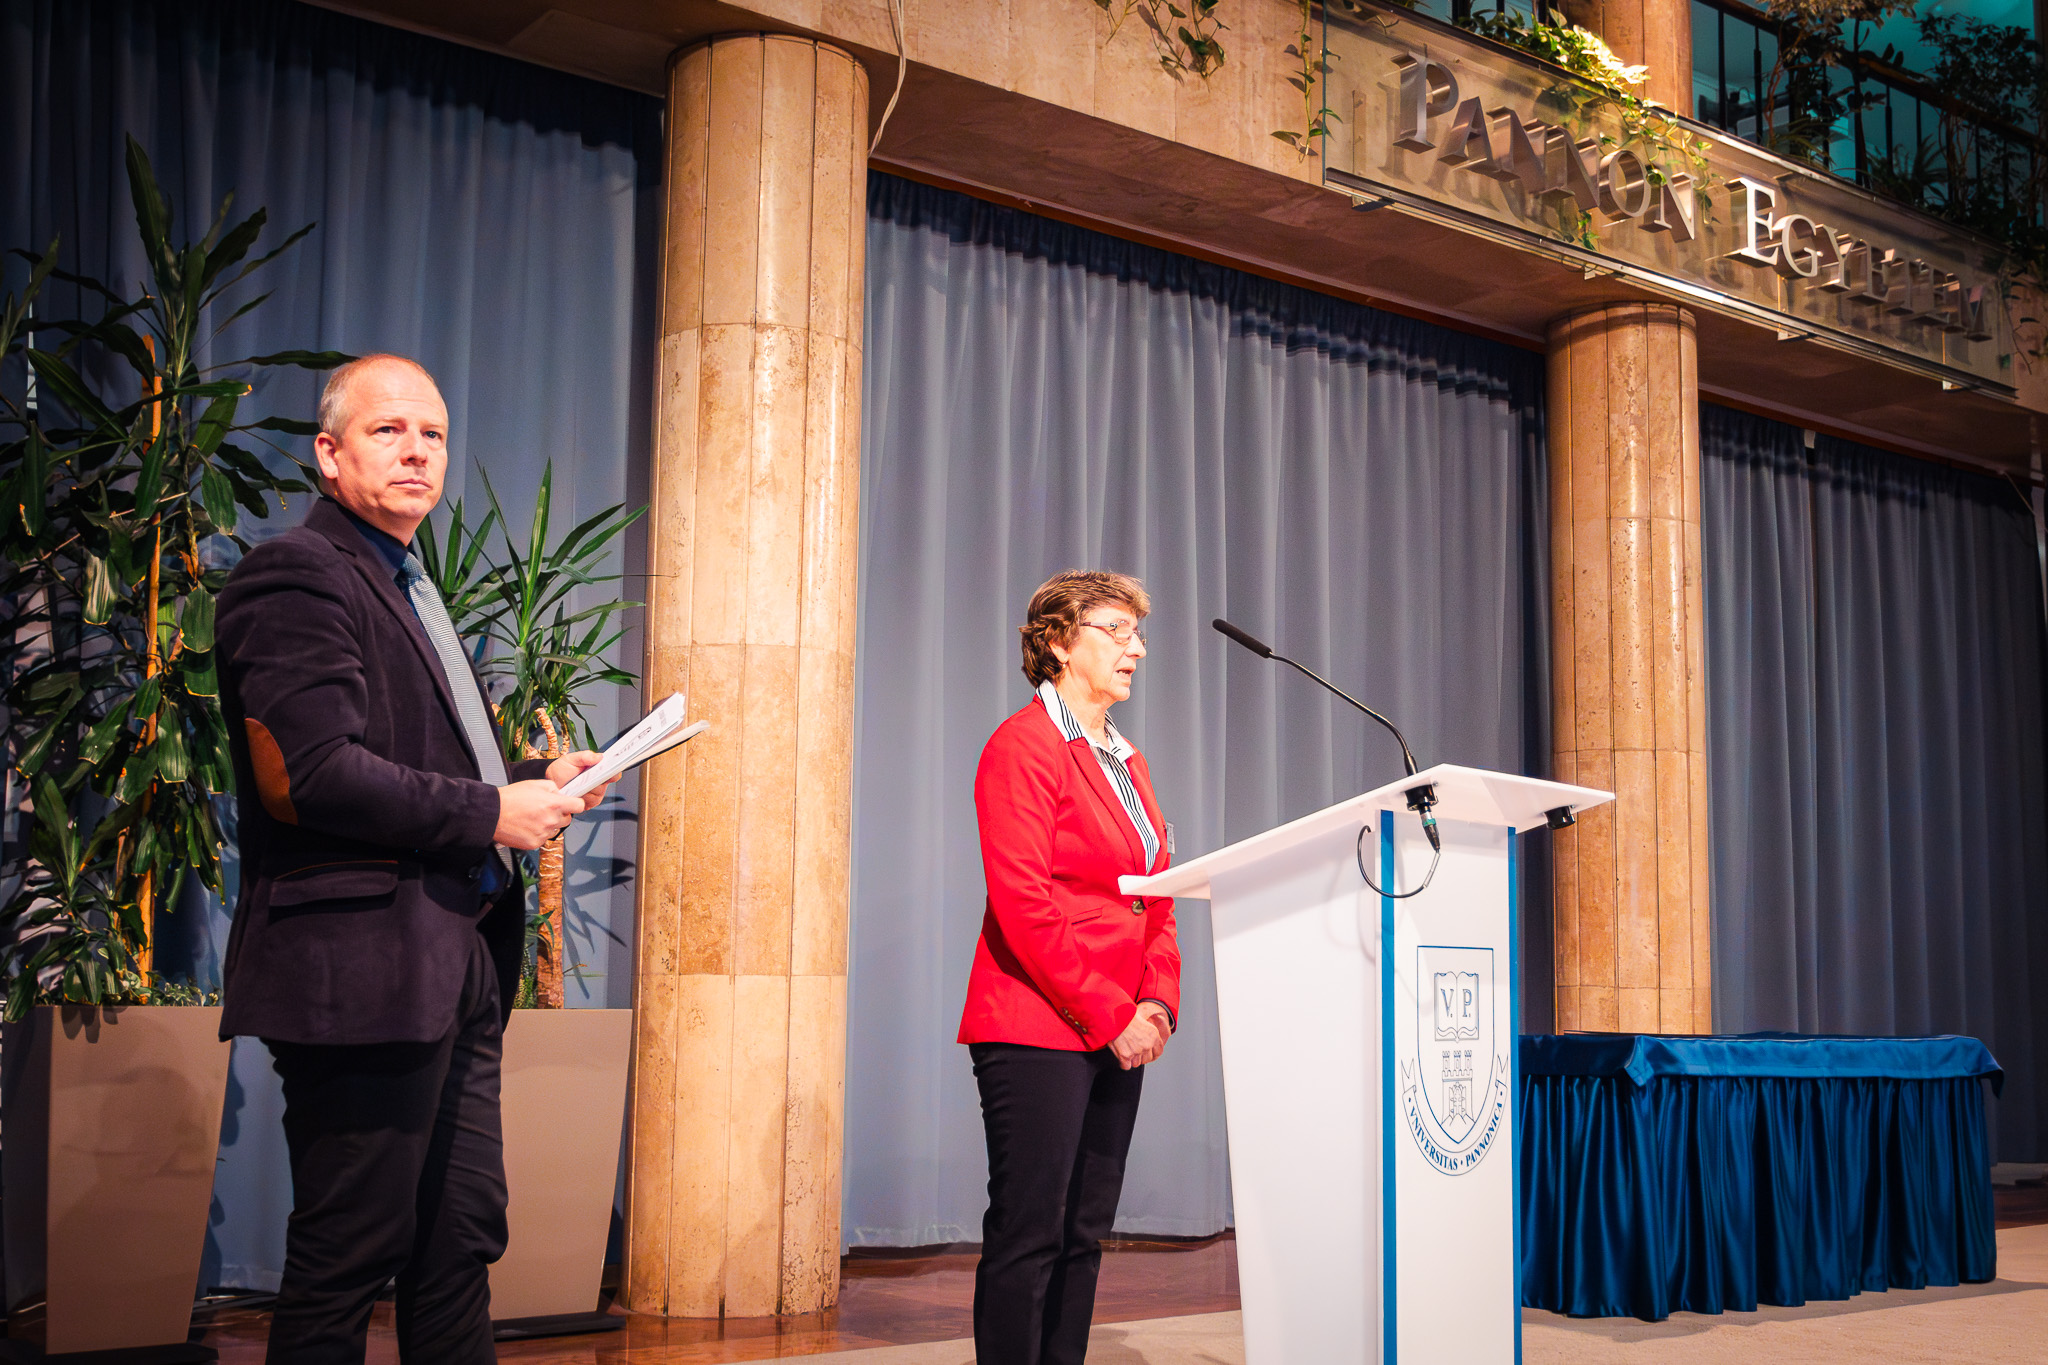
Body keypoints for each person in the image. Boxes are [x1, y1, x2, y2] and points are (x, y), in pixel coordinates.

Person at [216, 353, 616, 1363]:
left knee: (457, 1241)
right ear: (329, 453)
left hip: (453, 960)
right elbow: (312, 775)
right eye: (387, 429)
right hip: (361, 971)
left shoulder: (409, 585)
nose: (416, 451)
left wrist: (534, 777)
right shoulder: (299, 572)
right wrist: (491, 811)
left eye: (432, 434)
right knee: (350, 1251)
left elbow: (419, 764)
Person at [958, 570, 1182, 1365]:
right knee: (1031, 1231)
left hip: (1120, 1024)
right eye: (1116, 631)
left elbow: (1155, 894)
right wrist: (1112, 1013)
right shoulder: (1021, 746)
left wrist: (1156, 1002)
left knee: (1084, 1231)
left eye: (1137, 633)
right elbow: (1023, 904)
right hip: (1037, 1023)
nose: (1136, 648)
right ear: (1058, 641)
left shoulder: (1128, 760)